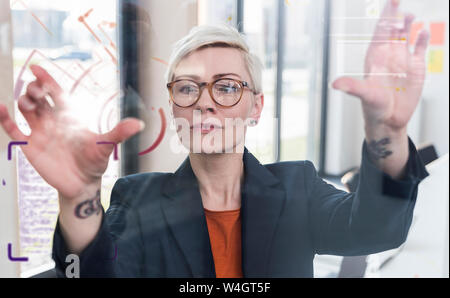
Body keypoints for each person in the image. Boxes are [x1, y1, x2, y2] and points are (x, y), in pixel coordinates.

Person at [0, 0, 430, 277]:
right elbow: (88, 275)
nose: (205, 102)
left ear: (255, 108)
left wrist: (387, 132)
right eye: (188, 87)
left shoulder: (297, 187)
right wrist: (78, 198)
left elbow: (377, 229)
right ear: (174, 108)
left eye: (226, 87)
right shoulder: (138, 197)